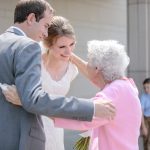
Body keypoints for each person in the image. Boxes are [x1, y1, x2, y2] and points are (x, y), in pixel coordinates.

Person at [0, 0, 115, 150]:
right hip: (30, 133)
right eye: (45, 25)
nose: (45, 33)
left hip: (43, 131)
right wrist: (91, 108)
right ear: (31, 19)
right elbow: (33, 99)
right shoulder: (30, 48)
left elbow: (93, 73)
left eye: (72, 44)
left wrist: (68, 55)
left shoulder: (4, 41)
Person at [53, 40, 142, 150]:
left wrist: (42, 106)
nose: (87, 63)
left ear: (97, 69)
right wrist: (70, 56)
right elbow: (94, 75)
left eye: (89, 61)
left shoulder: (114, 92)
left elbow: (84, 115)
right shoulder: (124, 86)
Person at [140, 78, 150, 150]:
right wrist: (143, 127)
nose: (146, 90)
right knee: (146, 139)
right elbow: (141, 112)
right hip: (146, 119)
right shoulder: (143, 97)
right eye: (145, 88)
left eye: (148, 87)